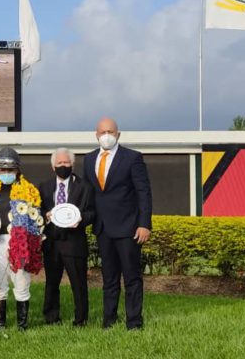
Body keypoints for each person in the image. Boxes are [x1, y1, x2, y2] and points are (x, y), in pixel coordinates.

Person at [83, 117, 152, 330]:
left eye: (111, 132)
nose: (107, 135)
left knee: (131, 277)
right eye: (103, 132)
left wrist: (144, 224)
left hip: (128, 228)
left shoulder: (132, 158)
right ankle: (109, 320)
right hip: (103, 229)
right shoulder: (88, 159)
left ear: (118, 134)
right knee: (109, 279)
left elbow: (143, 193)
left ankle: (134, 322)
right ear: (96, 135)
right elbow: (87, 194)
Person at [0, 147, 44, 331]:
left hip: (20, 244)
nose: (6, 173)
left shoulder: (29, 190)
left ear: (17, 169)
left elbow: (37, 220)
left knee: (21, 282)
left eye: (9, 170)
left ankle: (22, 324)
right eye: (2, 170)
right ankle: (0, 323)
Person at [38, 148, 95, 327]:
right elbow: (37, 211)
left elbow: (92, 212)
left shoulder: (84, 186)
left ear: (72, 164)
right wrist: (44, 215)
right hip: (52, 243)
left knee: (78, 284)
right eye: (59, 163)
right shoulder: (44, 186)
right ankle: (51, 317)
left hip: (74, 242)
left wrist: (81, 220)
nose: (63, 166)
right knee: (51, 283)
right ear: (53, 166)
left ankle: (80, 319)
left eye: (66, 163)